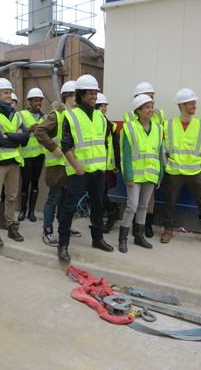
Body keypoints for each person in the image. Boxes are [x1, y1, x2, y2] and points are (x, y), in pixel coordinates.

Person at [57, 75, 114, 262]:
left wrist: (104, 166)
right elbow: (66, 146)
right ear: (81, 95)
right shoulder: (70, 116)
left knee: (98, 206)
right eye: (90, 93)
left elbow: (104, 143)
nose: (94, 96)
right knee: (68, 208)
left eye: (95, 93)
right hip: (78, 172)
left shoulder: (101, 117)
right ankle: (63, 244)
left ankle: (97, 238)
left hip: (98, 171)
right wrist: (78, 168)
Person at [161, 88, 201, 249]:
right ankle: (168, 229)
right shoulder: (168, 125)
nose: (194, 105)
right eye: (191, 102)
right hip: (174, 172)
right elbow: (163, 149)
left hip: (196, 172)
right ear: (181, 105)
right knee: (170, 202)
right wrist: (167, 166)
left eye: (195, 102)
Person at [35, 80, 82, 246]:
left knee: (66, 199)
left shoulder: (77, 115)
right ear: (66, 96)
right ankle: (47, 231)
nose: (78, 98)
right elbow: (39, 131)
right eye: (75, 95)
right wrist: (53, 148)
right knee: (54, 198)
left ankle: (64, 227)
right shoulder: (57, 115)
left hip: (70, 165)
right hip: (57, 166)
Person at [0, 78, 29, 246]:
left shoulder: (17, 115)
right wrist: (16, 136)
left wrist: (9, 135)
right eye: (5, 92)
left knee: (11, 197)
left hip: (14, 162)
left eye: (10, 92)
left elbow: (26, 139)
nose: (9, 95)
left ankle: (11, 225)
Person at [118, 95, 163, 252]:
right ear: (139, 110)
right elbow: (126, 153)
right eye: (147, 107)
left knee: (143, 206)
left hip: (151, 173)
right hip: (135, 175)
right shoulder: (129, 128)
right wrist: (128, 175)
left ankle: (139, 237)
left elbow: (159, 153)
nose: (151, 110)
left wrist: (160, 175)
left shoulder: (157, 128)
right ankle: (122, 238)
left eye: (152, 106)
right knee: (132, 205)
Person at [16, 88, 45, 222]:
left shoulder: (44, 117)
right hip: (26, 156)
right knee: (25, 183)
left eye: (40, 100)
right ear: (30, 101)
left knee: (35, 183)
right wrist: (30, 129)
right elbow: (17, 132)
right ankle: (23, 210)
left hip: (39, 155)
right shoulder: (21, 115)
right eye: (35, 100)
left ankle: (31, 212)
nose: (38, 103)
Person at [95, 93, 121, 233]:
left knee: (101, 194)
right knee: (98, 195)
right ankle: (105, 217)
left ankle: (111, 215)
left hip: (107, 167)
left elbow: (116, 146)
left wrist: (118, 164)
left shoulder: (111, 126)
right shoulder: (93, 124)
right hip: (94, 166)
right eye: (101, 106)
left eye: (105, 106)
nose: (104, 108)